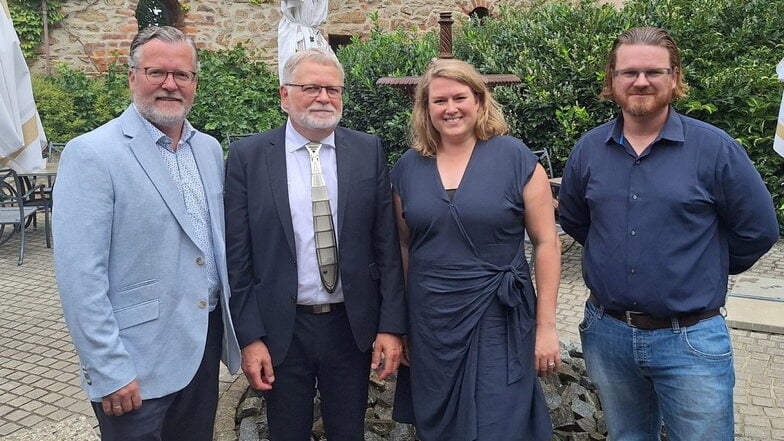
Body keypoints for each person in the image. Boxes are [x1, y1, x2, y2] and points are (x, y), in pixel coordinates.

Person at [558, 26, 780, 441]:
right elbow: (576, 220)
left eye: (653, 71)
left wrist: (703, 267)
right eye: (628, 72)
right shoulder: (588, 151)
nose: (640, 81)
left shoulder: (715, 149)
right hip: (608, 335)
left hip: (691, 340)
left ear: (674, 78)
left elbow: (759, 230)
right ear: (612, 79)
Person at [53, 26, 241, 441]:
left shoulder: (208, 149)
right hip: (134, 364)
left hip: (202, 347)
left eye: (183, 75)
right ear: (132, 76)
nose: (170, 85)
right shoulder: (92, 154)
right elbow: (80, 276)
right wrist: (107, 369)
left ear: (194, 82)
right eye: (157, 72)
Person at [224, 47, 406, 441]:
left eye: (333, 89)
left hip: (350, 326)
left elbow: (386, 246)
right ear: (284, 96)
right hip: (281, 329)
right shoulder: (248, 157)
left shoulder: (367, 150)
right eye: (311, 88)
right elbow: (238, 257)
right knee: (286, 433)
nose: (324, 98)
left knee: (348, 432)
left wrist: (391, 326)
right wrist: (250, 337)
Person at [390, 58, 561, 441]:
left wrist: (546, 326)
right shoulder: (407, 168)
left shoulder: (516, 158)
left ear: (480, 101)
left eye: (459, 97)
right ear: (425, 109)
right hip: (430, 321)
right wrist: (400, 326)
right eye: (439, 101)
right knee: (440, 426)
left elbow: (547, 242)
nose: (450, 108)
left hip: (498, 317)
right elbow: (403, 245)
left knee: (500, 422)